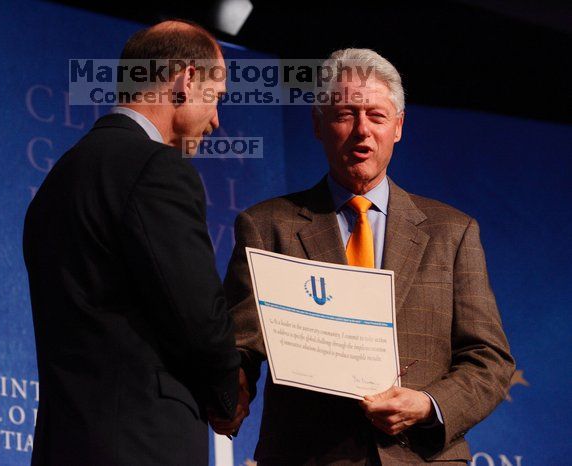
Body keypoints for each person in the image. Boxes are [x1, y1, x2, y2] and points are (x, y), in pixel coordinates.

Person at [214, 49, 515, 465]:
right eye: (344, 115)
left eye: (376, 115)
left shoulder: (452, 231)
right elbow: (241, 345)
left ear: (398, 127)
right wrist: (233, 389)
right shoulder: (268, 226)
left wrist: (429, 405)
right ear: (318, 124)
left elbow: (490, 360)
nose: (362, 132)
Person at [23, 20, 240, 465]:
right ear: (187, 79)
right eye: (216, 99)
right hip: (141, 443)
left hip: (63, 445)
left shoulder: (57, 181)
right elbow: (197, 316)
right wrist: (228, 394)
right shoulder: (156, 168)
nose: (216, 120)